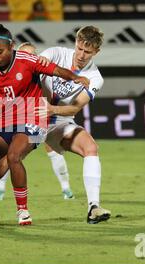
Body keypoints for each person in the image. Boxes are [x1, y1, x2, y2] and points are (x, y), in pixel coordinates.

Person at [0, 24, 89, 226]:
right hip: (5, 121)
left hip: (35, 119)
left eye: (0, 52)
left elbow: (57, 70)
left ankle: (23, 211)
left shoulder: (27, 60)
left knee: (13, 156)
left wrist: (76, 77)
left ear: (11, 47)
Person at [35, 26, 111, 224]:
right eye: (79, 48)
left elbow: (75, 108)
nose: (82, 55)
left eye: (88, 52)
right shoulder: (55, 53)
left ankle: (93, 207)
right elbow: (29, 67)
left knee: (91, 147)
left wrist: (52, 109)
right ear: (75, 42)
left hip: (59, 120)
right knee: (7, 159)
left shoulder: (95, 78)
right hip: (32, 115)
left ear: (96, 52)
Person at [0, 42, 74, 201]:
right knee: (13, 154)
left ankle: (66, 189)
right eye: (26, 54)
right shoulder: (14, 76)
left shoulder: (43, 71)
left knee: (48, 149)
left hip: (46, 120)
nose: (30, 57)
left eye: (33, 54)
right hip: (21, 120)